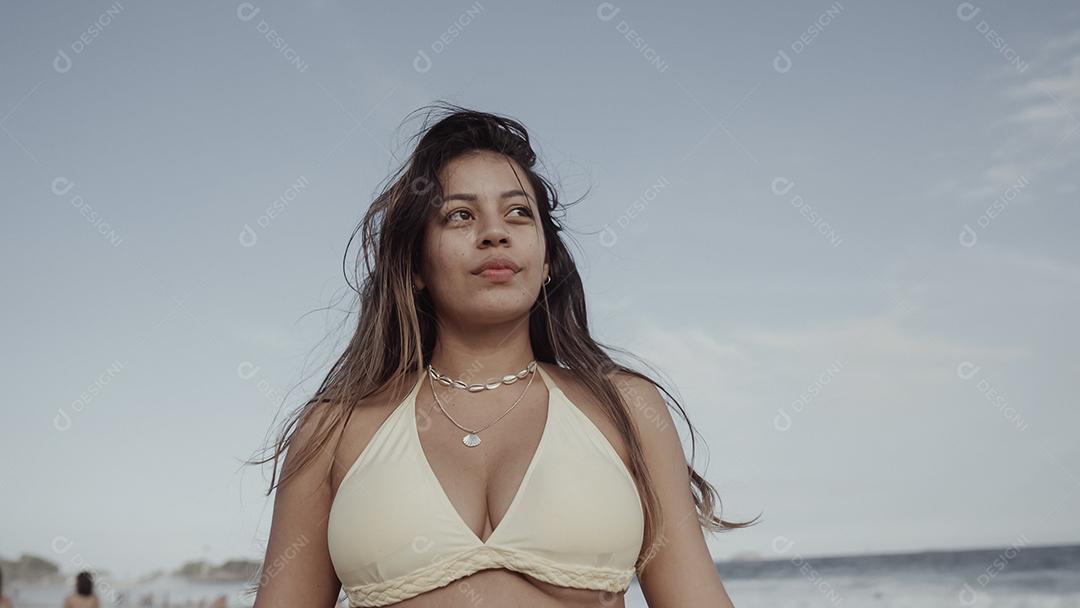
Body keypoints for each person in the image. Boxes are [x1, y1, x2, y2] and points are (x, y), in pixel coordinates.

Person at [248, 103, 760, 607]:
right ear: (417, 267)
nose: (495, 233)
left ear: (546, 263)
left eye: (518, 213)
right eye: (460, 215)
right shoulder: (332, 432)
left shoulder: (627, 409)